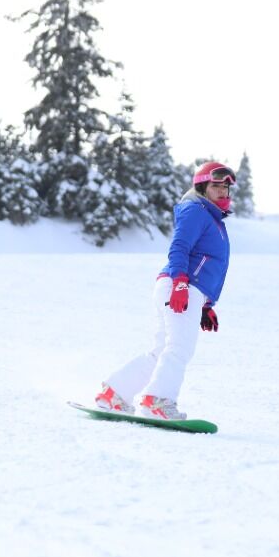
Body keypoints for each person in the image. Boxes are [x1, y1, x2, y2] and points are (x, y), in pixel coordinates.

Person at [93, 161, 234, 420]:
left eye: (226, 187)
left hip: (183, 288)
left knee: (161, 350)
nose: (223, 192)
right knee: (179, 348)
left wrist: (205, 306)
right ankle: (157, 401)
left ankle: (115, 394)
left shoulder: (210, 216)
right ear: (202, 187)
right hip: (180, 286)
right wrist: (180, 283)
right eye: (216, 186)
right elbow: (179, 247)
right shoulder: (197, 211)